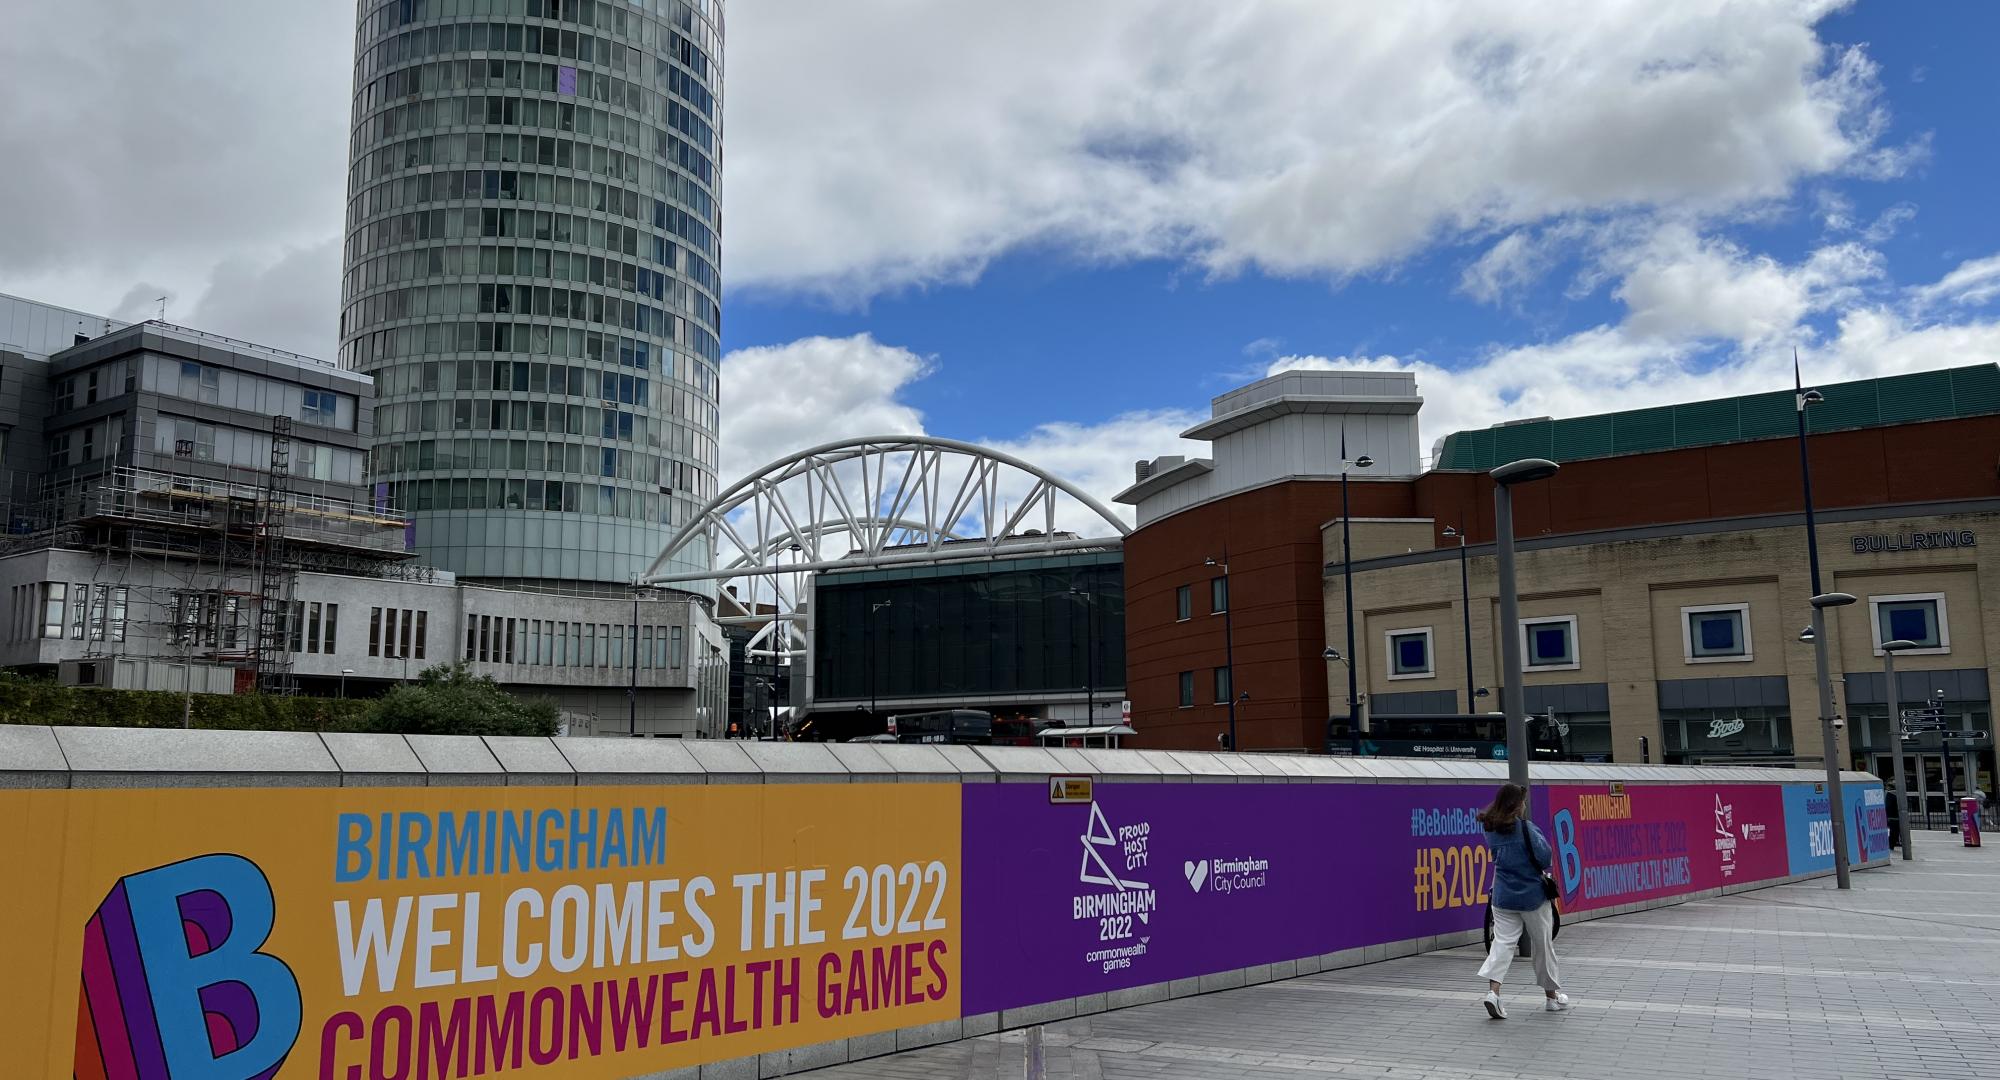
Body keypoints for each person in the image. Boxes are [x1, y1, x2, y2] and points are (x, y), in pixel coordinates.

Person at [1476, 782, 1568, 1018]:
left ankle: (1493, 993)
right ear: (1517, 806)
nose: (1525, 805)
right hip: (1532, 897)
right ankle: (1551, 997)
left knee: (1502, 944)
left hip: (1503, 896)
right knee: (1543, 945)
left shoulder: (1490, 828)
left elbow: (1497, 856)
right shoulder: (1527, 829)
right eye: (1523, 802)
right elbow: (1545, 856)